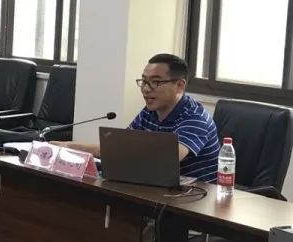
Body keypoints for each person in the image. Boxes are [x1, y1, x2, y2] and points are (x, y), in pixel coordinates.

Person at [60, 53, 220, 183]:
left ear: (179, 85)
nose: (146, 89)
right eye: (144, 81)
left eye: (155, 82)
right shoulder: (150, 111)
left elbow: (165, 158)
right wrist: (67, 147)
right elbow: (121, 147)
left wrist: (72, 147)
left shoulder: (196, 118)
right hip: (157, 188)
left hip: (196, 201)